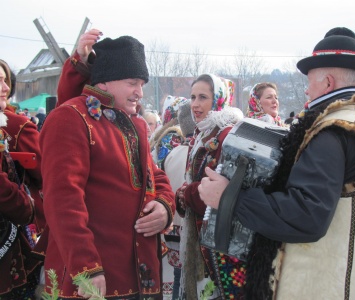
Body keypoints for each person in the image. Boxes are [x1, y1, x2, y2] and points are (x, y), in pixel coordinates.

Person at [198, 27, 355, 299]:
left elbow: (305, 217)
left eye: (310, 82)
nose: (306, 90)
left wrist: (229, 197)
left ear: (327, 83)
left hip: (328, 286)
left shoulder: (332, 131)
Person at [39, 34, 175, 299]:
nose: (140, 92)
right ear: (104, 80)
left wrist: (164, 206)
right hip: (95, 280)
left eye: (142, 83)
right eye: (132, 82)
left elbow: (154, 176)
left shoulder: (135, 124)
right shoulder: (72, 117)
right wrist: (86, 267)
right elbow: (63, 199)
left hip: (142, 279)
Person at [175, 73, 243, 299]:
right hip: (203, 237)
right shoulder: (203, 133)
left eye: (203, 97)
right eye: (192, 97)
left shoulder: (227, 135)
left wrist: (185, 194)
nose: (195, 104)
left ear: (219, 99)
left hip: (222, 246)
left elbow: (218, 188)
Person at [0, 59, 44, 299]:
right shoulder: (18, 126)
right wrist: (28, 206)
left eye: (6, 80)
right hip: (13, 234)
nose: (6, 87)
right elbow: (44, 172)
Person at [162, 100, 196, 300]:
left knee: (177, 278)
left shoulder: (172, 153)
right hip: (191, 229)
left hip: (173, 229)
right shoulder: (198, 153)